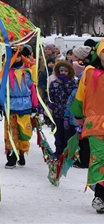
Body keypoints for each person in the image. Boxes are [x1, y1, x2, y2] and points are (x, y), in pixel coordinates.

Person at [70, 39, 104, 214]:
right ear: (99, 53)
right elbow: (81, 94)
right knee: (99, 158)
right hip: (97, 123)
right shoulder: (90, 73)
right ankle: (100, 195)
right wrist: (77, 114)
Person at [4, 47, 38, 168]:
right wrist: (1, 103)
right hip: (11, 106)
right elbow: (1, 91)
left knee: (24, 131)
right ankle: (11, 156)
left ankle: (21, 152)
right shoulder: (4, 74)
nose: (16, 58)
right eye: (12, 55)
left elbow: (32, 90)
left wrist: (35, 106)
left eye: (17, 55)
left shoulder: (26, 73)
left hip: (25, 106)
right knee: (11, 132)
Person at [47, 61, 77, 158]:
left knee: (68, 134)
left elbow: (73, 94)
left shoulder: (72, 83)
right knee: (58, 134)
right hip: (57, 113)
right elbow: (50, 95)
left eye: (65, 71)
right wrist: (50, 103)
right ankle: (59, 151)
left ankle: (69, 153)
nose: (63, 73)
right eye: (61, 71)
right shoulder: (54, 83)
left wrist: (66, 82)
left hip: (68, 114)